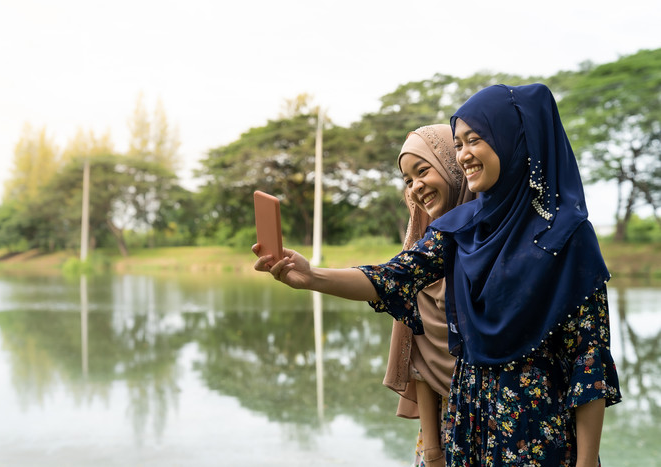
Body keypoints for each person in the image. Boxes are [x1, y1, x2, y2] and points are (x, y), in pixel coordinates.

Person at [253, 83, 621, 466]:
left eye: (474, 140)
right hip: (467, 426)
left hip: (536, 432)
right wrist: (312, 276)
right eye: (458, 143)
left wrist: (588, 459)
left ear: (514, 138)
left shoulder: (567, 235)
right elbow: (392, 277)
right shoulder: (460, 229)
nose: (463, 155)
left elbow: (588, 359)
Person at [388, 124, 475, 467]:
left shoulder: (493, 240)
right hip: (443, 432)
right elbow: (421, 365)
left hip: (507, 426)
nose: (416, 187)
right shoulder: (421, 256)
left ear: (452, 166)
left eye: (422, 170)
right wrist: (434, 452)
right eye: (408, 180)